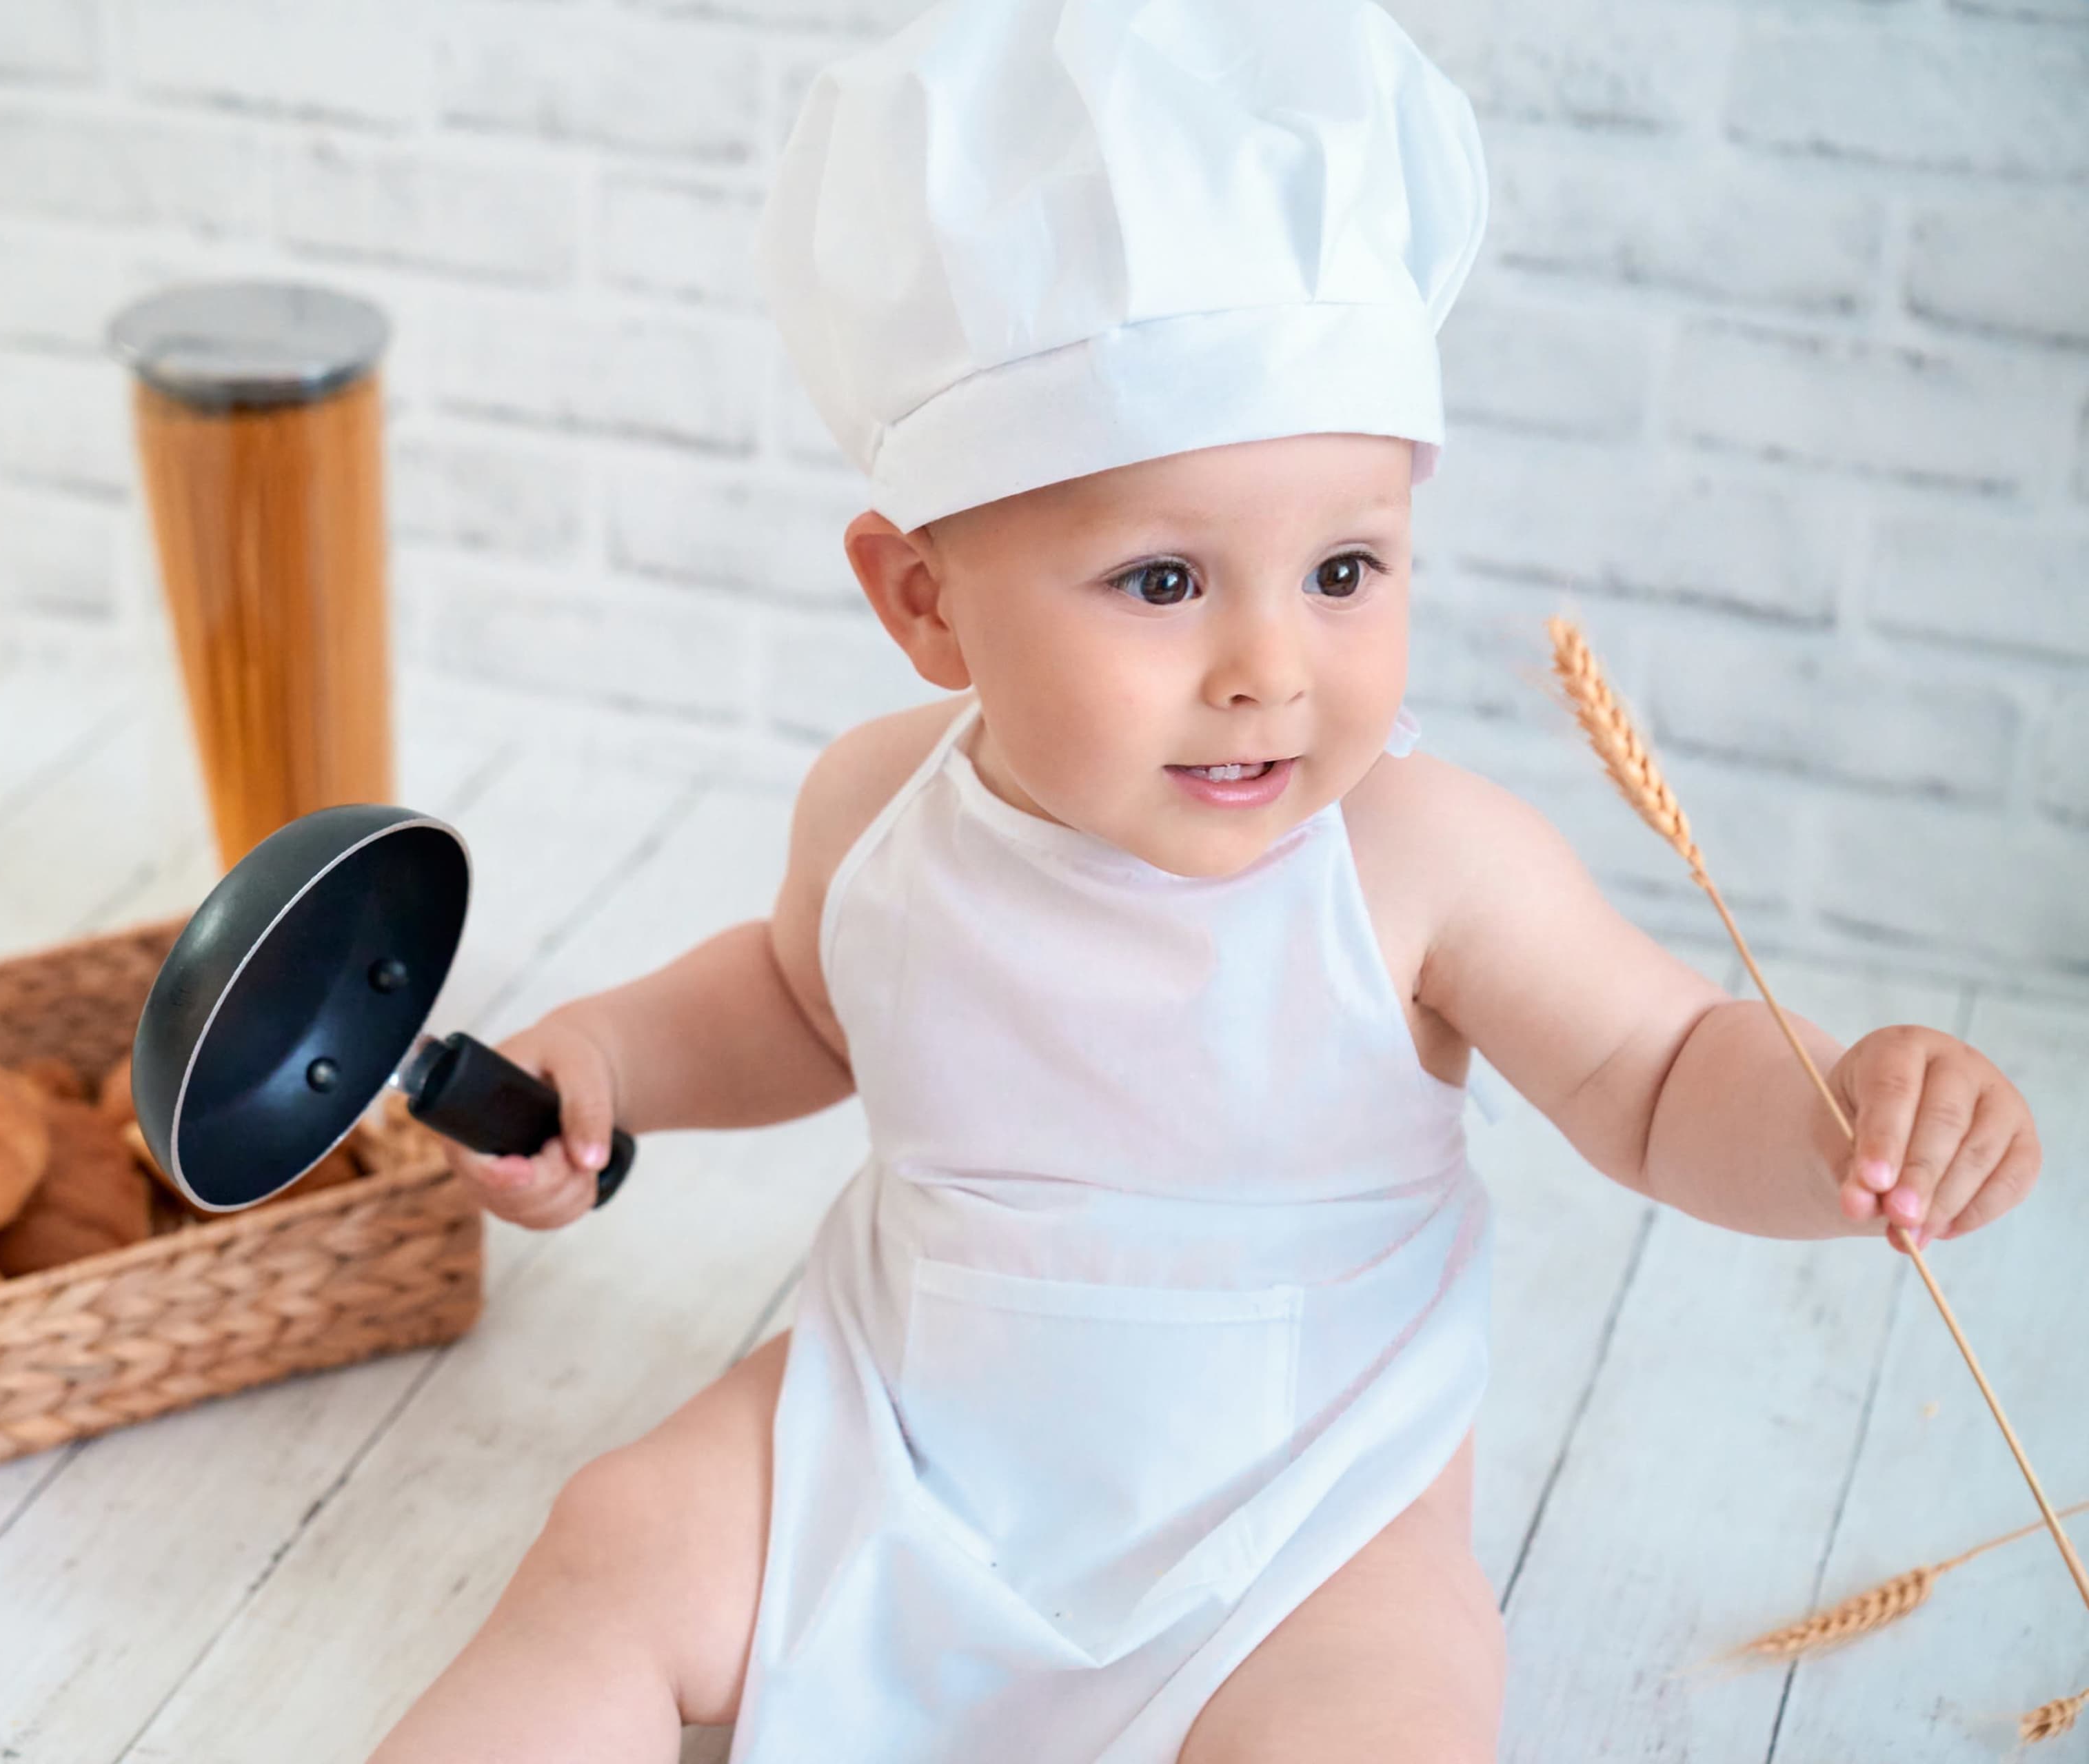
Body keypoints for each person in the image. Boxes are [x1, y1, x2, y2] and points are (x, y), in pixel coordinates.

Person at [370, 1, 2046, 1758]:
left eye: (1343, 568)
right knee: (617, 1543)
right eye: (1162, 582)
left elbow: (1659, 1075)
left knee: (1380, 1713)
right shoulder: (880, 810)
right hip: (908, 1433)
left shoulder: (1419, 861)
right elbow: (798, 1001)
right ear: (924, 601)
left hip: (1311, 1511)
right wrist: (615, 1061)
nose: (1272, 665)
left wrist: (1836, 1111)